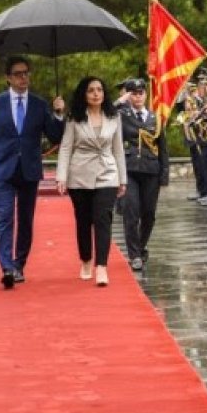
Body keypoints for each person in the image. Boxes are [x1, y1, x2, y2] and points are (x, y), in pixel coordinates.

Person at [0, 55, 65, 289]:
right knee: (4, 218)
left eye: (26, 73)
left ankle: (18, 264)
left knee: (25, 220)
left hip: (29, 171)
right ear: (8, 78)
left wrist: (58, 114)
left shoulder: (39, 104)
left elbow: (56, 136)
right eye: (18, 73)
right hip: (2, 170)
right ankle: (6, 267)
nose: (23, 77)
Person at [56, 76, 127, 287]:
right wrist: (61, 176)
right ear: (84, 95)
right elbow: (66, 147)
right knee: (84, 221)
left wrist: (122, 179)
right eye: (91, 90)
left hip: (107, 173)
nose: (96, 94)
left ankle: (102, 266)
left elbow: (118, 149)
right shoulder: (74, 118)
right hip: (80, 174)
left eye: (99, 89)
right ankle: (86, 260)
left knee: (103, 218)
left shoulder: (114, 117)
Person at [115, 78, 168, 271]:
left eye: (140, 93)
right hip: (129, 170)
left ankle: (142, 244)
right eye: (133, 93)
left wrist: (164, 174)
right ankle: (134, 255)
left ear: (146, 94)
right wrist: (119, 101)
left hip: (151, 171)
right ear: (128, 95)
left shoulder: (155, 118)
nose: (137, 97)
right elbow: (104, 114)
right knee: (131, 212)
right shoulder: (121, 114)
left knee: (149, 214)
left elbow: (163, 149)